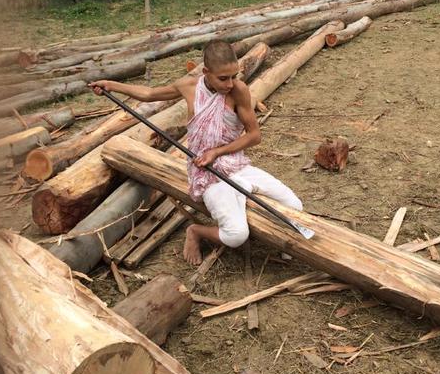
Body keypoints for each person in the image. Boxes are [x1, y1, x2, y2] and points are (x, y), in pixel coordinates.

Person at [90, 40, 302, 264]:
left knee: (294, 205)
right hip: (207, 172)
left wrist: (218, 152)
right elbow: (150, 94)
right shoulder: (189, 87)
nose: (230, 83)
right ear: (206, 72)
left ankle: (288, 247)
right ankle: (196, 231)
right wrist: (112, 85)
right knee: (237, 235)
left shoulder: (238, 90)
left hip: (234, 163)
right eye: (223, 78)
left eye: (234, 76)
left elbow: (254, 136)